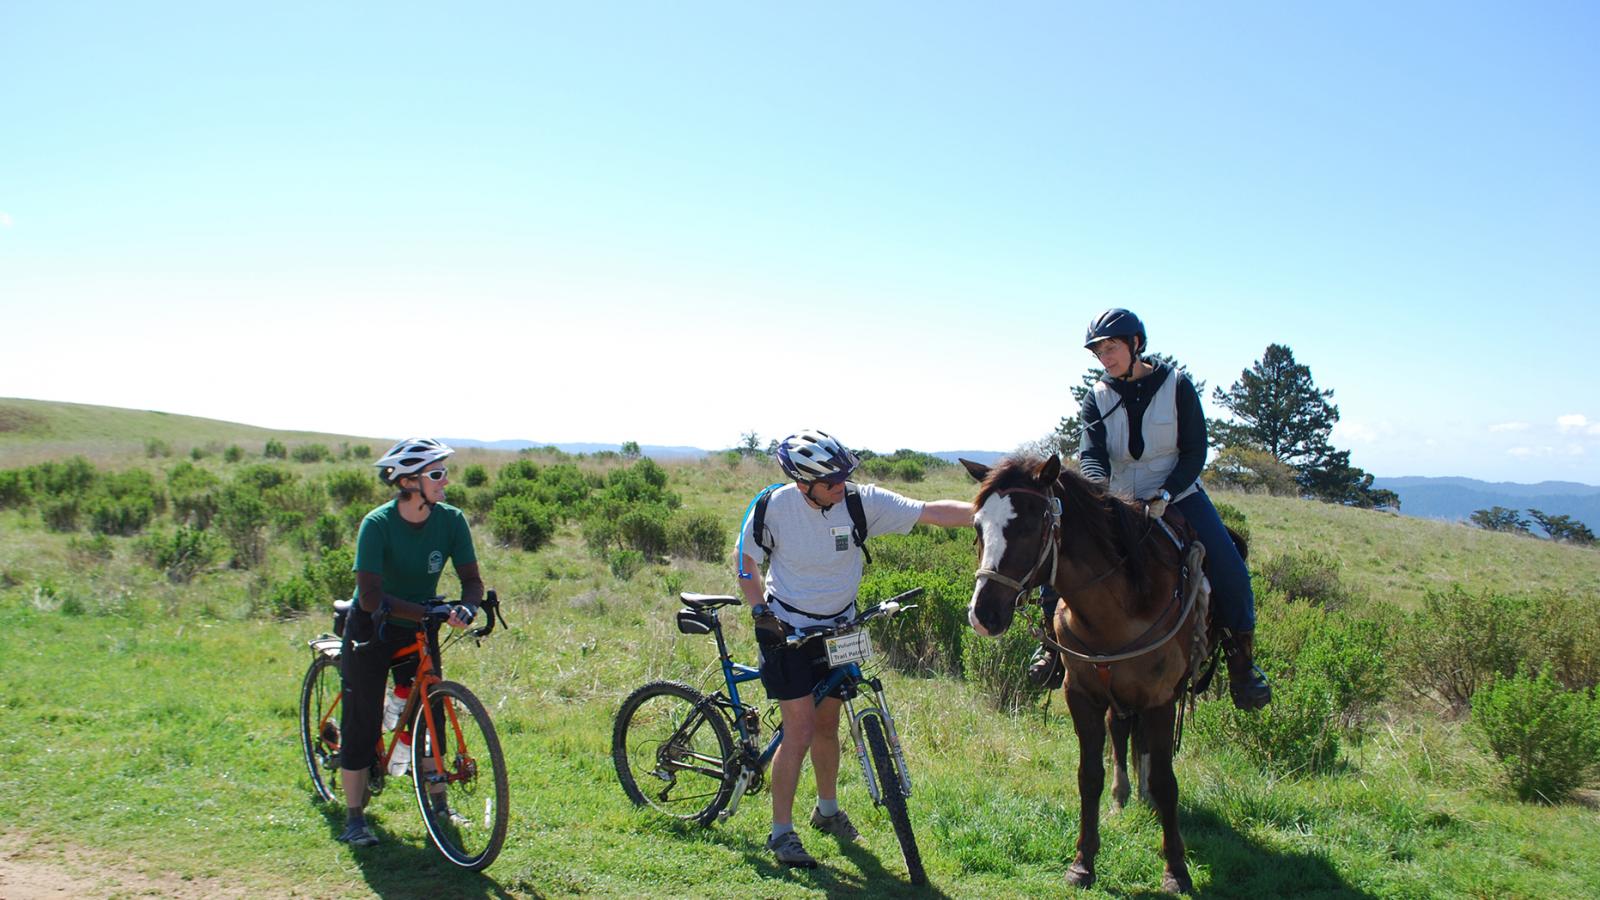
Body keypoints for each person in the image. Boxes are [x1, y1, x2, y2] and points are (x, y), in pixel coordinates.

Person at [737, 430, 973, 869]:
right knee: (800, 730)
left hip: (839, 631)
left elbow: (930, 512)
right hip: (786, 631)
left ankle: (827, 812)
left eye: (844, 477)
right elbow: (746, 565)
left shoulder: (860, 502)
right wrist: (759, 614)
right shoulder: (772, 506)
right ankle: (781, 833)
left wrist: (995, 510)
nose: (841, 487)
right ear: (803, 483)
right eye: (830, 482)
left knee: (828, 726)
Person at [1028, 309, 1272, 710]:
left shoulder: (1178, 386)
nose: (1105, 357)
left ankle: (1242, 665)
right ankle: (1053, 649)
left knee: (1230, 568)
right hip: (1117, 495)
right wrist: (1100, 495)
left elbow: (1195, 451)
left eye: (1112, 347)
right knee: (1062, 555)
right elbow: (1091, 455)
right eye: (1099, 351)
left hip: (1179, 492)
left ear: (1135, 344)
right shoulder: (1096, 396)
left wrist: (1167, 491)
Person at [335, 438, 484, 847]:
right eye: (437, 474)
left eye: (444, 472)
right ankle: (354, 818)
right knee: (361, 719)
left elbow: (472, 581)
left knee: (432, 715)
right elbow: (369, 597)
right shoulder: (377, 524)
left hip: (419, 625)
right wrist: (428, 612)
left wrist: (467, 608)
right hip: (372, 628)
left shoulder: (451, 521)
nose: (445, 481)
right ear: (407, 481)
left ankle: (440, 806)